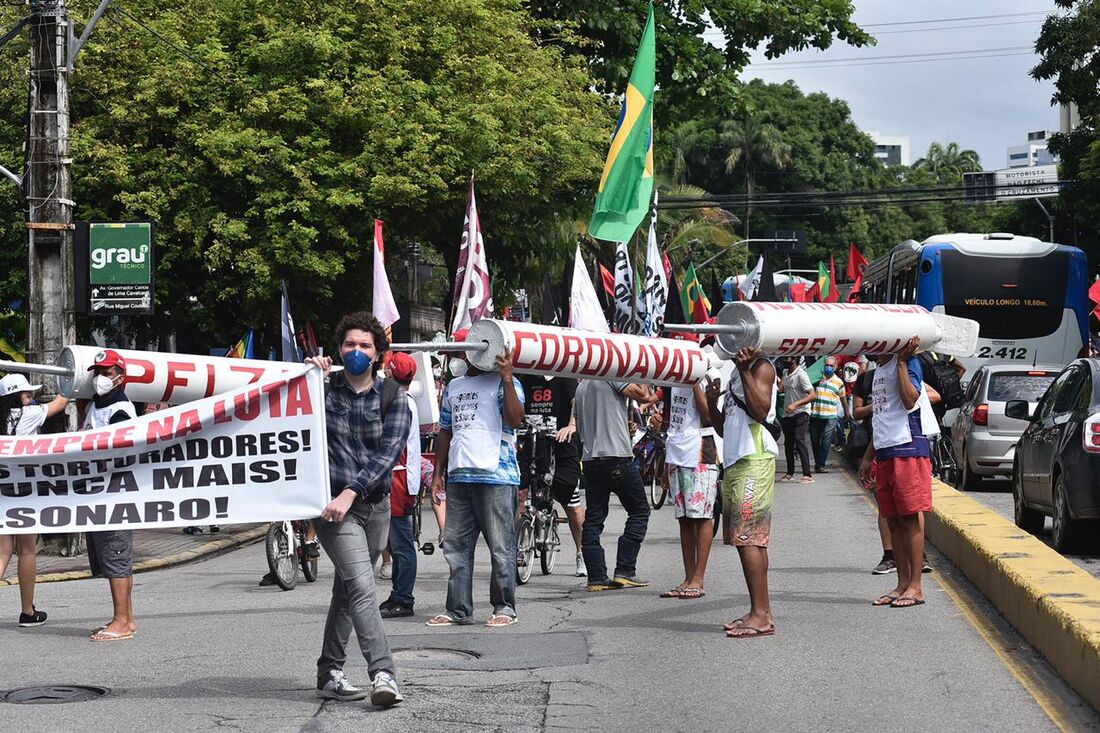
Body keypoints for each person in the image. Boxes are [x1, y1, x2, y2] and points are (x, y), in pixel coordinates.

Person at [306, 312, 408, 706]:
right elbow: (284, 412)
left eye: (365, 345)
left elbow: (387, 456)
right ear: (338, 349)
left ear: (378, 353)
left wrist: (355, 490)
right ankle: (383, 673)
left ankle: (328, 670)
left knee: (348, 591)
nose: (356, 351)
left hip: (374, 507)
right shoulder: (321, 390)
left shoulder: (393, 398)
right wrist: (308, 374)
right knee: (364, 588)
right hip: (333, 511)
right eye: (349, 344)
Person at [428, 329, 525, 628]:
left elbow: (515, 419)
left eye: (461, 351)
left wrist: (507, 378)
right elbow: (445, 430)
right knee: (456, 547)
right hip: (460, 477)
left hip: (497, 476)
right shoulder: (455, 386)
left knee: (501, 547)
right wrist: (438, 474)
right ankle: (458, 609)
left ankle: (505, 607)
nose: (459, 357)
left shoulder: (505, 383)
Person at [859, 337, 939, 609]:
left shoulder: (907, 363)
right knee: (893, 521)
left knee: (909, 520)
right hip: (886, 452)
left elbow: (909, 401)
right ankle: (902, 584)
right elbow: (880, 416)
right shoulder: (878, 372)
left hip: (908, 449)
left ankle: (915, 586)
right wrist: (869, 457)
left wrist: (903, 362)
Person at [707, 347, 778, 638]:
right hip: (737, 459)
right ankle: (761, 611)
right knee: (750, 540)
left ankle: (760, 615)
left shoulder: (761, 368)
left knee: (749, 538)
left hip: (754, 459)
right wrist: (712, 402)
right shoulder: (738, 372)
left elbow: (761, 410)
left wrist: (747, 369)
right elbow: (724, 428)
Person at [574, 376, 659, 593]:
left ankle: (596, 576)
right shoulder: (612, 376)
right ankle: (625, 570)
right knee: (640, 511)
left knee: (594, 518)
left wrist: (622, 425)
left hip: (591, 460)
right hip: (616, 457)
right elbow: (643, 395)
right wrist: (642, 373)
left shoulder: (582, 387)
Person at [0, 373, 68, 627]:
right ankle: (27, 612)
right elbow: (61, 403)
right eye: (27, 394)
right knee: (27, 550)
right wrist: (73, 377)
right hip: (26, 491)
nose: (30, 398)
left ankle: (29, 611)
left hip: (2, 491)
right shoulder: (28, 414)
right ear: (17, 396)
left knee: (2, 552)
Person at [82, 349, 138, 642]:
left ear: (120, 377)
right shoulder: (98, 405)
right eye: (97, 372)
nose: (99, 378)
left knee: (116, 554)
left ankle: (121, 622)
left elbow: (120, 453)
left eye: (106, 373)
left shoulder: (120, 410)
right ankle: (126, 618)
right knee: (112, 556)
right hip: (99, 492)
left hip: (113, 493)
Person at [519, 373, 587, 577]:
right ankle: (517, 547)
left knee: (570, 502)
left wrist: (572, 426)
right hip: (530, 443)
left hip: (561, 444)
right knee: (519, 495)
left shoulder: (564, 378)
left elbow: (577, 401)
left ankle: (581, 552)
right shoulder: (524, 377)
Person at [660, 362, 718, 600]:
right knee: (684, 518)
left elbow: (708, 416)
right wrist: (665, 463)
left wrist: (695, 382)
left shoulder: (708, 375)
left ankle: (699, 579)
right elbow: (673, 422)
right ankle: (687, 577)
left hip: (701, 451)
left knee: (701, 516)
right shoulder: (673, 381)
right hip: (677, 453)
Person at [380, 352, 421, 619]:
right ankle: (398, 593)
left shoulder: (401, 403)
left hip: (399, 478)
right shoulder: (403, 400)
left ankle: (404, 598)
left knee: (402, 543)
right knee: (395, 542)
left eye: (387, 368)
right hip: (401, 477)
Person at [777, 357, 814, 484]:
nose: (785, 359)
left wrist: (796, 404)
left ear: (794, 359)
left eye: (787, 357)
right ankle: (790, 472)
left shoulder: (801, 375)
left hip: (801, 412)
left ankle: (807, 474)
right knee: (788, 443)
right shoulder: (786, 373)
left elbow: (812, 394)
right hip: (788, 414)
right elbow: (780, 388)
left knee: (799, 440)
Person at [809, 356, 848, 473]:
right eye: (827, 365)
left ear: (835, 367)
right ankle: (817, 462)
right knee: (815, 440)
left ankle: (820, 465)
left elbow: (843, 398)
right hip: (816, 414)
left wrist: (847, 412)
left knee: (826, 440)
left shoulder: (839, 382)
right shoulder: (817, 380)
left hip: (831, 416)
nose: (829, 367)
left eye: (831, 366)